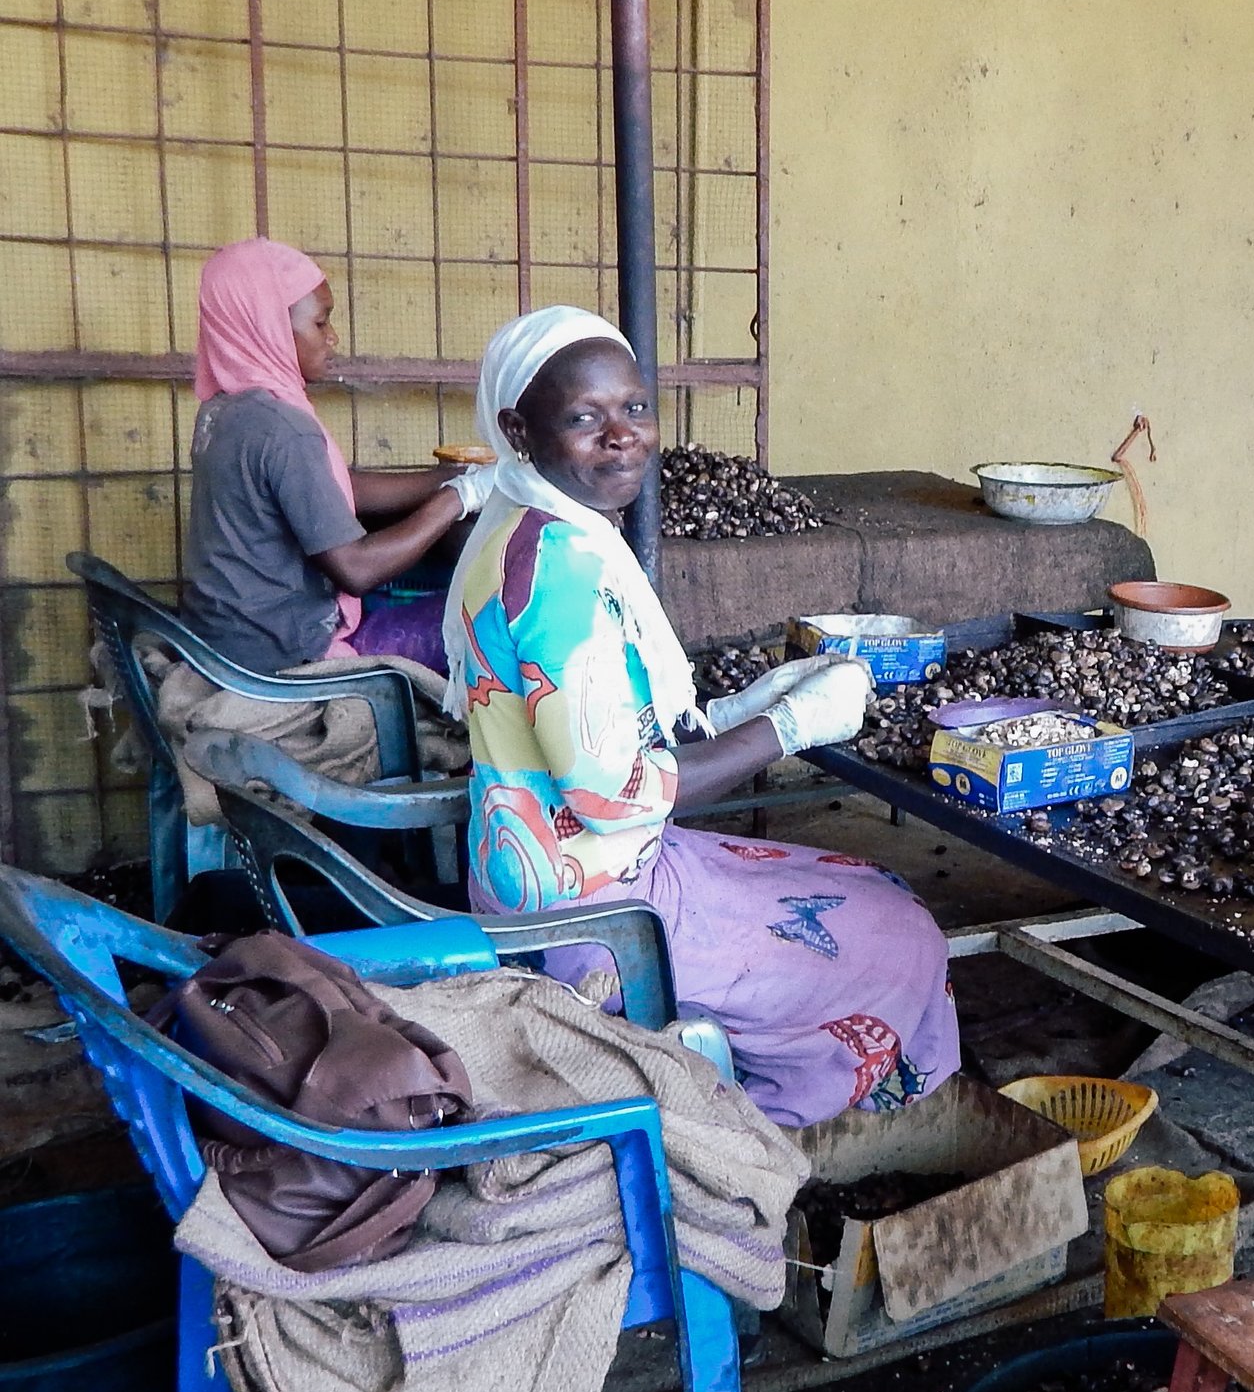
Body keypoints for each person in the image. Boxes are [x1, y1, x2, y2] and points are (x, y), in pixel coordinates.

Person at [443, 305, 958, 1125]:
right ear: (519, 429)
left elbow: (587, 725)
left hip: (531, 869)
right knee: (902, 931)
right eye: (584, 417)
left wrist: (731, 709)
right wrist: (785, 730)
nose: (622, 435)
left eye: (635, 408)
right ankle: (749, 1128)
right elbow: (613, 795)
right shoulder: (563, 574)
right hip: (597, 912)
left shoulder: (522, 527)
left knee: (859, 878)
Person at [184, 238, 492, 676]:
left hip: (230, 636)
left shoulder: (227, 410)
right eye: (319, 323)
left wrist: (450, 476)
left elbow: (326, 490)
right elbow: (357, 570)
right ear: (266, 325)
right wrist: (458, 498)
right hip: (286, 653)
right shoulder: (282, 427)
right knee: (489, 617)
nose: (332, 338)